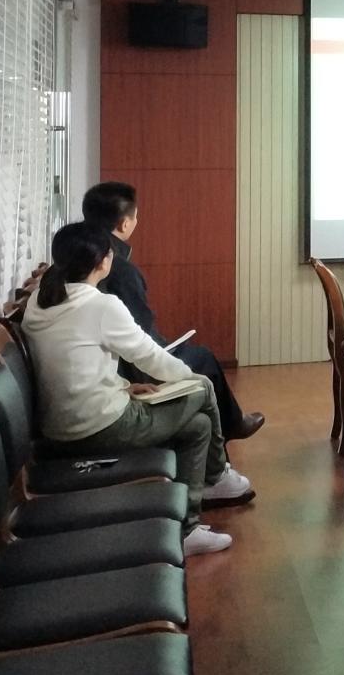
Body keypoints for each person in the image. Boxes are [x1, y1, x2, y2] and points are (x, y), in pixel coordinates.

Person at [22, 223, 251, 556]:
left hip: (59, 428)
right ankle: (217, 479)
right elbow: (151, 357)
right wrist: (188, 378)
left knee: (198, 426)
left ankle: (187, 524)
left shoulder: (39, 301)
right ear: (103, 261)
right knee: (202, 388)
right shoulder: (102, 306)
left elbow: (74, 365)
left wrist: (125, 386)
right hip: (99, 428)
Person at [82, 181, 264, 440]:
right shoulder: (119, 269)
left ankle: (227, 435)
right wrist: (172, 359)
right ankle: (232, 428)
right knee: (204, 360)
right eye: (136, 217)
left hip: (110, 371)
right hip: (129, 372)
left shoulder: (76, 262)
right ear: (124, 224)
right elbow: (141, 337)